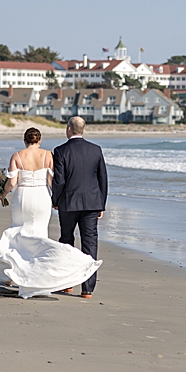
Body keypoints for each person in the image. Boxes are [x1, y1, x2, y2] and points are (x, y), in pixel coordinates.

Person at [0, 127, 102, 298]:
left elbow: (11, 182)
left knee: (18, 232)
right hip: (41, 197)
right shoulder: (47, 155)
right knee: (39, 235)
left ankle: (11, 273)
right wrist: (56, 200)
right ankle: (35, 278)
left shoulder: (17, 156)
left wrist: (3, 194)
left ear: (25, 141)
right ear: (39, 141)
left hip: (23, 197)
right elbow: (53, 181)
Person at [50, 116, 108, 299]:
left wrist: (55, 200)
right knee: (90, 243)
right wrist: (101, 204)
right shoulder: (96, 150)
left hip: (68, 202)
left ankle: (68, 285)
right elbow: (103, 179)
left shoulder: (60, 151)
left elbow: (59, 180)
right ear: (83, 130)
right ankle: (87, 289)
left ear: (69, 129)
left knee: (67, 241)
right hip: (91, 203)